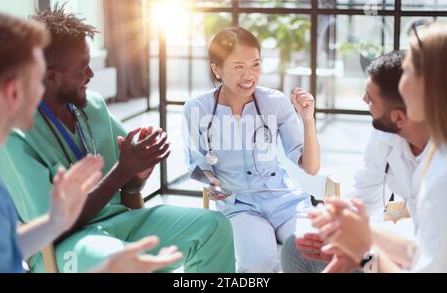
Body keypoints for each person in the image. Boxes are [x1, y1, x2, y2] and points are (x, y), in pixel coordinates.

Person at [0, 6, 234, 273]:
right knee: (124, 260)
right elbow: (51, 229)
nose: (91, 75)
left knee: (214, 227)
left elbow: (130, 187)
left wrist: (140, 168)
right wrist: (122, 170)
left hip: (121, 221)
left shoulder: (92, 105)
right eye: (83, 68)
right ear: (52, 77)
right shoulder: (13, 137)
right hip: (65, 245)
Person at [311, 21, 447, 273]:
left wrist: (363, 252)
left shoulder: (442, 177)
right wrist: (348, 229)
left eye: (406, 72)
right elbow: (419, 253)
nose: (401, 86)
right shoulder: (438, 156)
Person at [183, 27, 320, 272]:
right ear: (217, 69)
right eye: (238, 67)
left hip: (285, 200)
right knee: (259, 265)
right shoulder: (197, 109)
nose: (250, 75)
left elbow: (310, 166)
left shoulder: (274, 102)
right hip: (239, 205)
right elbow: (197, 162)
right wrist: (213, 183)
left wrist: (308, 120)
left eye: (255, 65)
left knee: (313, 252)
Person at [281, 51, 431, 273]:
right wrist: (341, 235)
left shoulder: (439, 171)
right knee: (297, 248)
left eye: (370, 98)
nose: (363, 101)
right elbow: (364, 196)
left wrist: (361, 251)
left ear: (399, 117)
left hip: (421, 265)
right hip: (409, 252)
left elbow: (427, 262)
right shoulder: (386, 133)